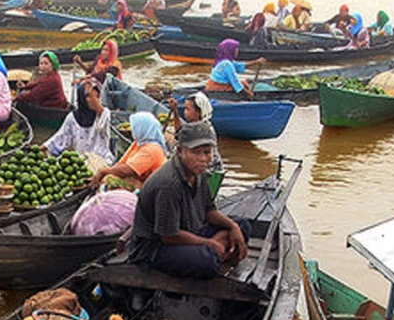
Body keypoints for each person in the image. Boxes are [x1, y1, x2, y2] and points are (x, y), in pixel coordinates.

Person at [126, 121, 245, 278]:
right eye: (196, 152)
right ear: (181, 151)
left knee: (242, 225)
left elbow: (209, 211)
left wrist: (234, 227)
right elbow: (169, 235)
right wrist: (208, 243)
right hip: (155, 247)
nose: (203, 159)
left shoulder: (199, 173)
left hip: (189, 230)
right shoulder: (168, 184)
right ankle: (216, 255)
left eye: (207, 152)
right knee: (205, 260)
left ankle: (217, 254)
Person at [44, 78, 113, 163]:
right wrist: (44, 147)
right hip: (82, 161)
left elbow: (99, 109)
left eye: (97, 96)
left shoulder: (103, 114)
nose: (95, 100)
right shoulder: (72, 117)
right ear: (82, 99)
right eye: (88, 97)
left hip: (102, 160)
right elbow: (61, 137)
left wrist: (91, 94)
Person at [93, 111, 167, 189]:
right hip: (139, 181)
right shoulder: (138, 143)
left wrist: (104, 171)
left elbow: (128, 170)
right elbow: (122, 164)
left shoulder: (152, 149)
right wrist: (109, 172)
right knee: (109, 178)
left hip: (150, 188)